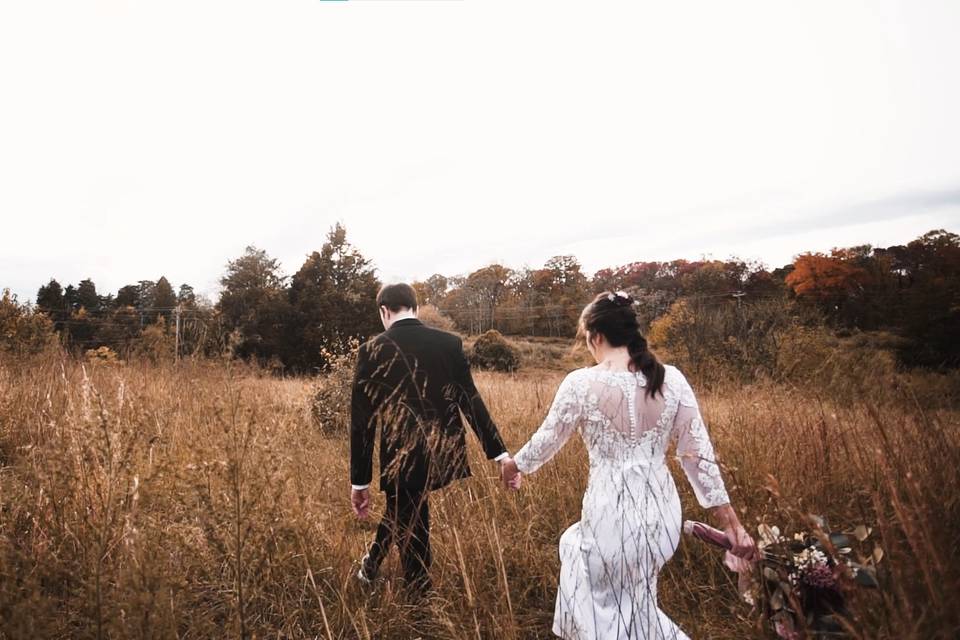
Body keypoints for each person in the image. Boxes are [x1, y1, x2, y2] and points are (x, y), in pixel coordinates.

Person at [499, 291, 757, 639]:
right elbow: (700, 459)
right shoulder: (672, 379)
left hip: (611, 513)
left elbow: (548, 439)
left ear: (597, 337)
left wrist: (514, 466)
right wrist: (733, 525)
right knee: (636, 602)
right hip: (662, 516)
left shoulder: (581, 383)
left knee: (593, 580)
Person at [349, 283, 513, 595]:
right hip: (443, 450)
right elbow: (470, 401)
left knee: (409, 510)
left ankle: (419, 592)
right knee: (406, 506)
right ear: (415, 307)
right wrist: (500, 453)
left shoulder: (370, 351)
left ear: (384, 311)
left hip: (400, 454)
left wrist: (360, 482)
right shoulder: (448, 344)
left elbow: (362, 423)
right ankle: (372, 565)